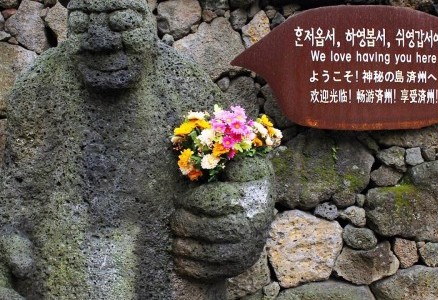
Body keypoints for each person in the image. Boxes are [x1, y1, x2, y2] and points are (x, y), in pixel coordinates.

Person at [0, 0, 274, 299]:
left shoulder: (184, 86)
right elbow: (14, 195)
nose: (100, 42)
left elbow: (242, 171)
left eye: (121, 22)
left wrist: (241, 225)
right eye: (81, 24)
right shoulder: (38, 90)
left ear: (147, 23)